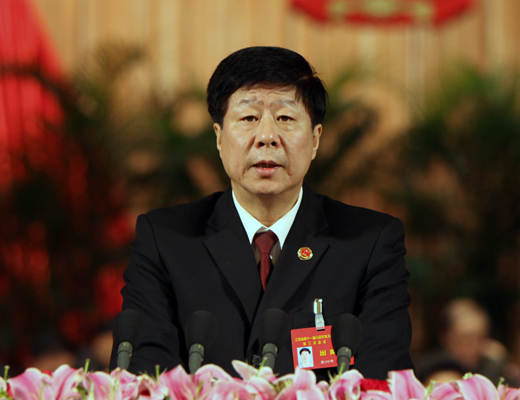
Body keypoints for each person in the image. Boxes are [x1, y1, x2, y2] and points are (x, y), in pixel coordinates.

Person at [111, 46, 413, 380]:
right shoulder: (167, 239)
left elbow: (383, 375)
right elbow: (143, 373)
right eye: (248, 118)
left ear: (315, 139)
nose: (267, 137)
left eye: (285, 119)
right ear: (219, 138)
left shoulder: (368, 242)